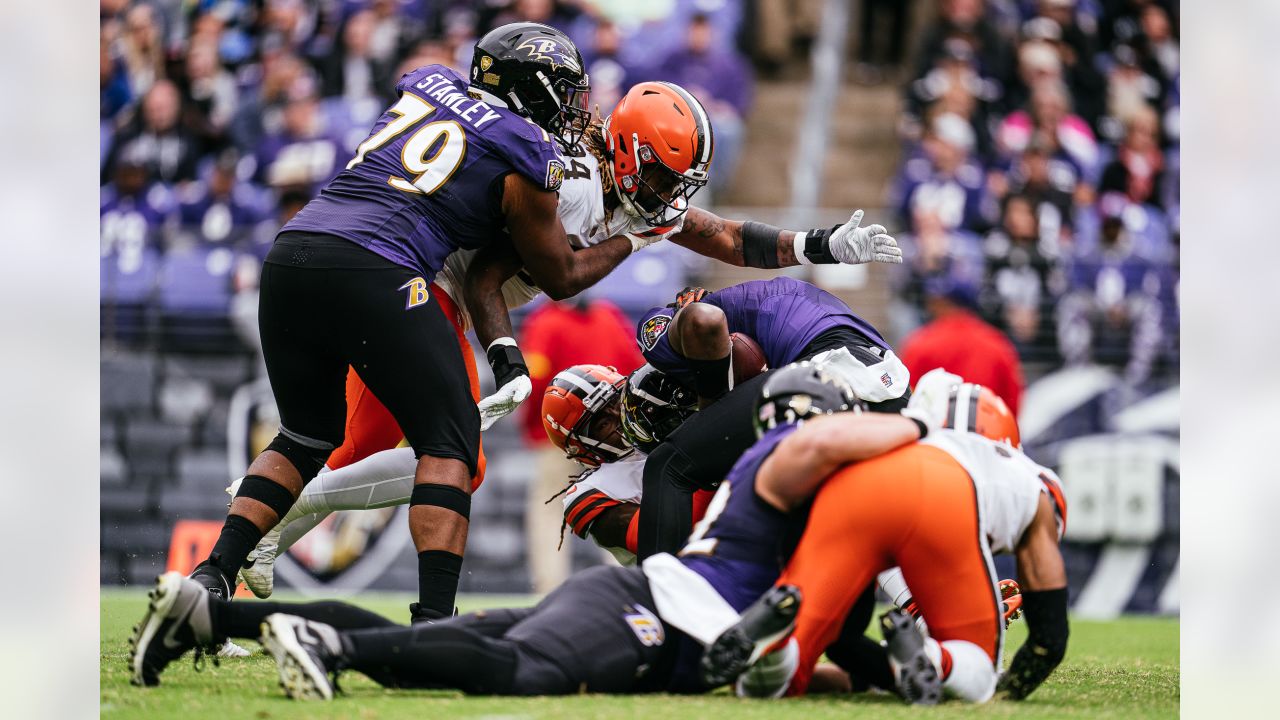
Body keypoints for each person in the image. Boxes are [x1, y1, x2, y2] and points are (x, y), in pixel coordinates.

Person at [227, 82, 905, 599]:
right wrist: (507, 358)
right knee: (455, 458)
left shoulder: (631, 195)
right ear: (631, 155)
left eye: (680, 182)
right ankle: (284, 535)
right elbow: (490, 277)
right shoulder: (571, 183)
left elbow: (725, 236)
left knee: (349, 447)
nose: (671, 195)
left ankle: (259, 534)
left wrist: (823, 243)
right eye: (666, 176)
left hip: (424, 295)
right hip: (421, 290)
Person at [187, 22, 637, 627]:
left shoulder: (427, 83)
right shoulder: (528, 154)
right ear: (534, 90)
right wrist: (632, 234)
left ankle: (210, 576)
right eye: (564, 91)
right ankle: (434, 624)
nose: (575, 107)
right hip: (382, 266)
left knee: (305, 433)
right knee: (450, 446)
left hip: (293, 253)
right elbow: (557, 273)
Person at [128, 366, 913, 697]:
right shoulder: (790, 465)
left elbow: (827, 651)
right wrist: (922, 426)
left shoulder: (790, 482)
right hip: (658, 614)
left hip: (657, 609)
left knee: (477, 641)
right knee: (520, 671)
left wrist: (891, 678)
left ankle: (212, 614)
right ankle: (331, 647)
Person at [703, 371, 1069, 704]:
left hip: (855, 485)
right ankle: (929, 658)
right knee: (976, 673)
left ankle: (776, 646)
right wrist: (1007, 685)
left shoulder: (895, 436)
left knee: (773, 681)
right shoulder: (1030, 480)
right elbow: (1048, 641)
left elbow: (887, 542)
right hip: (948, 496)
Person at [632, 276, 911, 558]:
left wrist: (709, 406)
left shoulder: (696, 316)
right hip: (891, 388)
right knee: (831, 513)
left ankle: (653, 595)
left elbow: (705, 319)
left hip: (825, 372)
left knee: (669, 465)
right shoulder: (777, 303)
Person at [520, 300, 645, 592]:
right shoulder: (608, 315)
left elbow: (534, 380)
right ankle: (628, 584)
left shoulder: (546, 321)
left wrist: (533, 429)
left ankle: (550, 589)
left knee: (549, 512)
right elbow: (634, 368)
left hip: (558, 441)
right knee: (620, 503)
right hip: (616, 438)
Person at [900, 274, 1024, 417]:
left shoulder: (919, 342)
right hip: (985, 432)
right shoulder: (997, 344)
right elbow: (1012, 403)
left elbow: (905, 400)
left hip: (932, 434)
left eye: (935, 302)